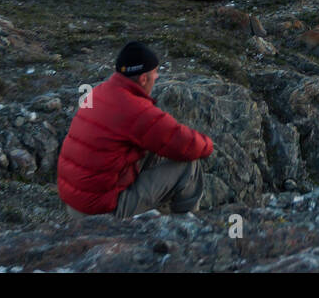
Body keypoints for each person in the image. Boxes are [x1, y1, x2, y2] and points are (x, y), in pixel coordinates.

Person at [57, 41, 214, 218]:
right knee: (188, 166)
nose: (157, 77)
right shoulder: (134, 109)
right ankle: (184, 228)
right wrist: (209, 145)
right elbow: (185, 143)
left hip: (76, 203)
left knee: (156, 152)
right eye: (155, 73)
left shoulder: (99, 92)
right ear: (143, 78)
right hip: (101, 211)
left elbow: (164, 137)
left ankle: (159, 215)